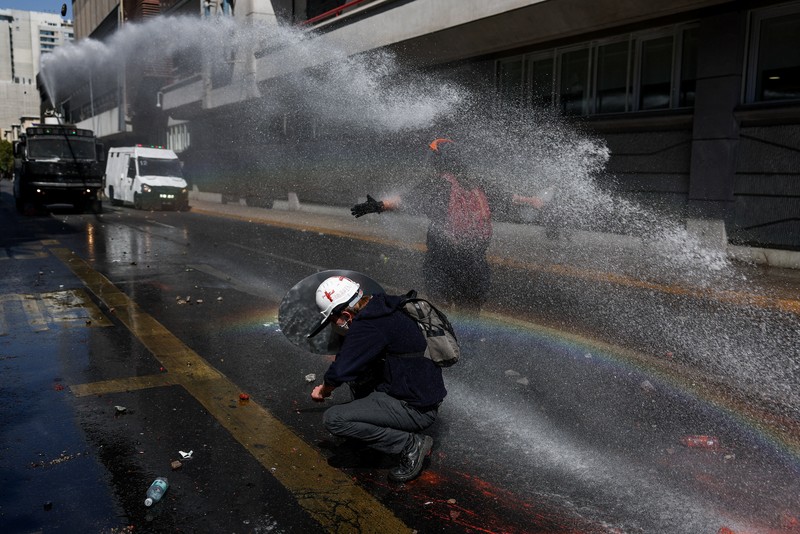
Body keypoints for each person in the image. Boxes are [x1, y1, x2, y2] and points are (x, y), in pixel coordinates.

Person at [351, 137, 544, 309]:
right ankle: (469, 344)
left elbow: (402, 201)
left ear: (440, 161)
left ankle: (447, 345)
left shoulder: (438, 184)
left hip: (443, 261)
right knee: (469, 309)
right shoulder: (478, 183)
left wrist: (377, 205)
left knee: (440, 311)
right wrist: (533, 201)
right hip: (475, 263)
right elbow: (510, 198)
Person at [308, 275, 446, 483]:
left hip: (415, 409)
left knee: (335, 419)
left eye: (332, 320)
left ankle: (410, 445)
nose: (332, 326)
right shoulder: (383, 306)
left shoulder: (367, 325)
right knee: (360, 377)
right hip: (418, 393)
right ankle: (371, 434)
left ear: (345, 314)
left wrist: (324, 390)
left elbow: (341, 371)